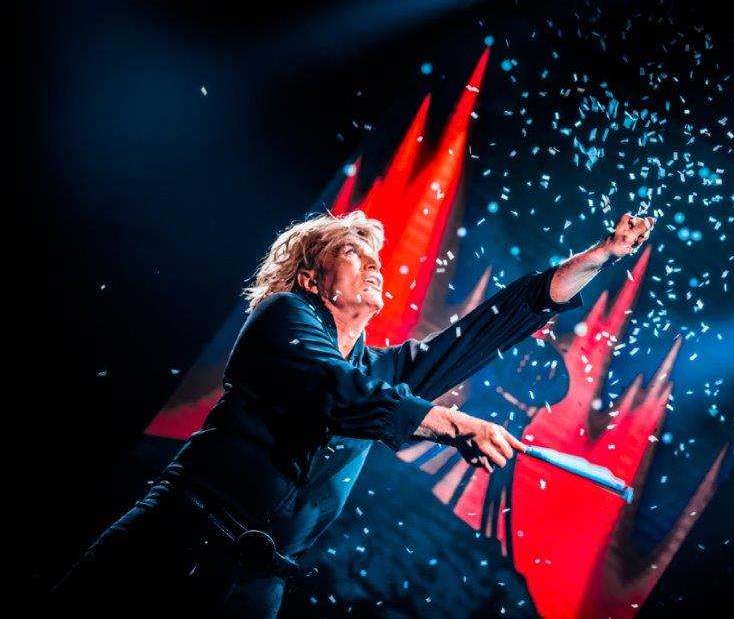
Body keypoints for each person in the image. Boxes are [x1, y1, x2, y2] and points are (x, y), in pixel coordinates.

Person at [48, 209, 655, 617]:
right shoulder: (282, 316)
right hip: (174, 539)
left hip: (255, 584)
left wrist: (602, 254)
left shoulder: (380, 370)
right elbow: (337, 392)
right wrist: (453, 423)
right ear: (312, 279)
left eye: (376, 257)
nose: (373, 263)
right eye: (352, 252)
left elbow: (488, 328)